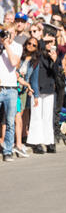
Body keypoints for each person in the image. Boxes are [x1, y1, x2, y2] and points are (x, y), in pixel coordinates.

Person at [28, 32, 58, 154]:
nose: (49, 44)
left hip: (49, 88)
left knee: (47, 117)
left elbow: (56, 74)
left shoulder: (53, 55)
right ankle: (36, 142)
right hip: (37, 88)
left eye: (51, 42)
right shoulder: (38, 53)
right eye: (47, 42)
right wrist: (43, 39)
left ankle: (49, 141)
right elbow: (38, 46)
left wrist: (55, 61)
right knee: (36, 116)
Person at [0, 23, 22, 162]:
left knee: (9, 122)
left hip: (11, 89)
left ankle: (8, 151)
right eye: (6, 33)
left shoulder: (17, 47)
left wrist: (6, 45)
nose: (9, 35)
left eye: (12, 33)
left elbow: (14, 62)